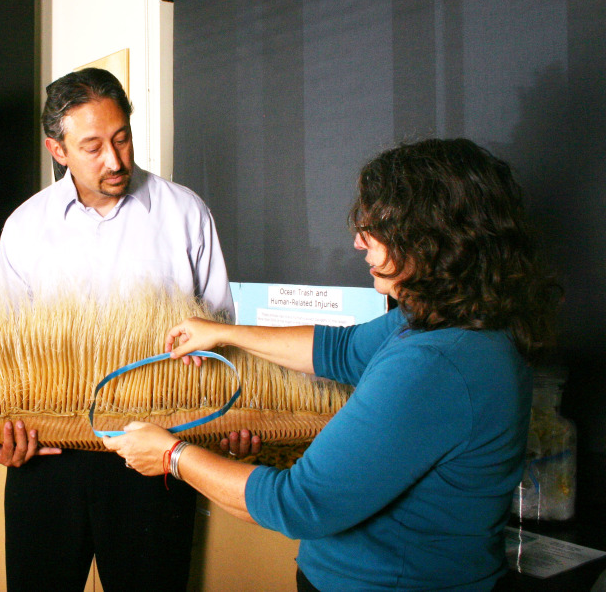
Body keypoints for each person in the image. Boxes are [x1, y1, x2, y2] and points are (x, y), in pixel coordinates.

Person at [105, 138, 559, 591]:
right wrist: (224, 332)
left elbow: (297, 503)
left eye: (378, 228)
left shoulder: (435, 366)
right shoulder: (445, 319)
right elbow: (338, 351)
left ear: (432, 240)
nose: (359, 242)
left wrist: (170, 455)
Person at [0, 67, 235, 591]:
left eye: (122, 139)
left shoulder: (185, 213)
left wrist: (229, 412)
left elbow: (219, 335)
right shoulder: (26, 226)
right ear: (58, 150)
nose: (115, 160)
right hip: (46, 457)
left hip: (158, 451)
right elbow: (0, 347)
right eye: (93, 146)